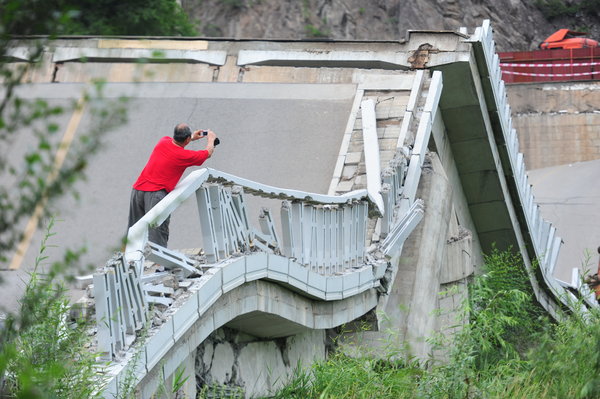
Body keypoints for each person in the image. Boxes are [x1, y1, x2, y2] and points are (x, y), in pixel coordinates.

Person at [127, 123, 217, 247]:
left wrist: (191, 137)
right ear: (186, 139)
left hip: (137, 190)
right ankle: (160, 265)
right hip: (156, 194)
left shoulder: (162, 141)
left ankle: (129, 263)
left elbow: (176, 142)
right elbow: (208, 153)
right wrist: (211, 138)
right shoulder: (183, 156)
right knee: (157, 232)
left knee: (134, 230)